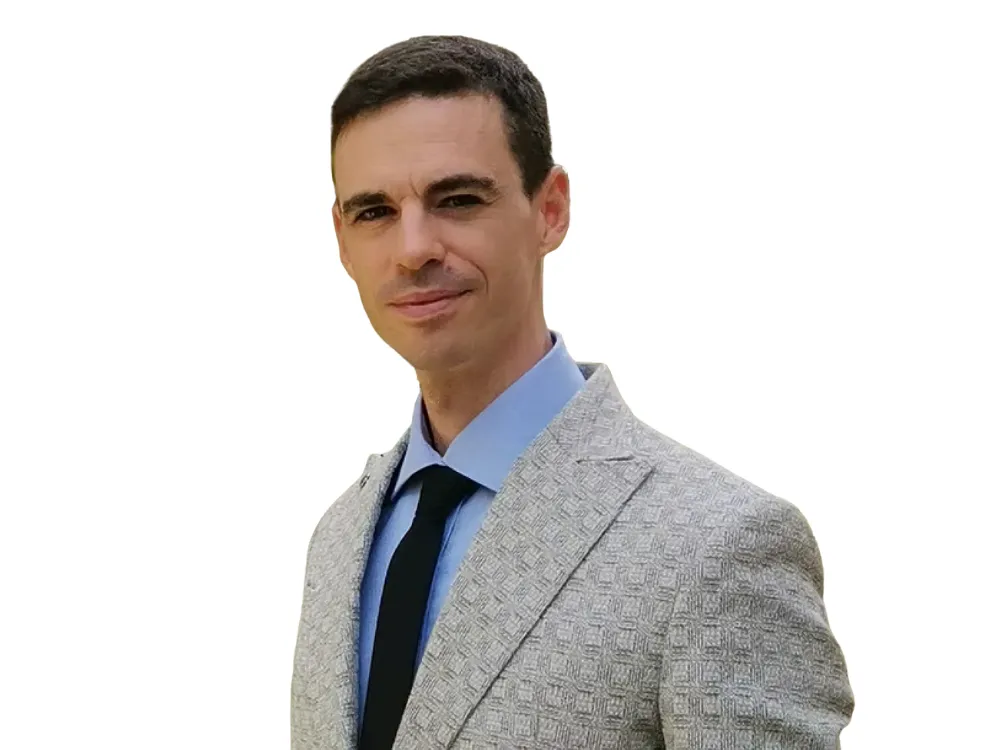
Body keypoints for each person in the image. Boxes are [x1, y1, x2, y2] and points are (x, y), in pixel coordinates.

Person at [291, 35, 854, 750]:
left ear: (550, 210)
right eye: (374, 212)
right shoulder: (340, 538)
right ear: (341, 239)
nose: (413, 249)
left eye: (457, 199)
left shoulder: (717, 544)